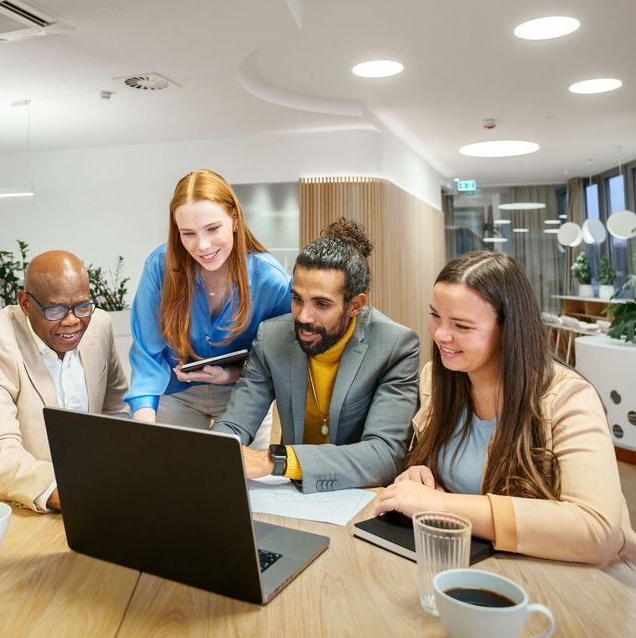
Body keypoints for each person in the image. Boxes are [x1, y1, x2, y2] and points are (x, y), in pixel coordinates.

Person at [375, 251, 636, 577]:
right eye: (435, 316)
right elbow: (437, 467)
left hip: (577, 582)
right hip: (483, 567)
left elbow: (596, 530)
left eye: (461, 325)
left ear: (509, 329)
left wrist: (441, 506)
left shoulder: (566, 398)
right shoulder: (436, 380)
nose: (440, 334)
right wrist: (417, 474)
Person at [212, 218, 420, 490]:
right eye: (297, 299)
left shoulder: (395, 346)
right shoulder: (271, 337)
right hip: (291, 496)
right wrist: (218, 451)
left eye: (322, 304)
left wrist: (279, 460)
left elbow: (384, 455)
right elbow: (235, 423)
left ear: (355, 305)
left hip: (360, 495)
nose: (303, 317)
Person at [0, 250, 128, 512]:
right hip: (6, 499)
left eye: (82, 306)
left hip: (90, 490)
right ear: (25, 303)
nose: (72, 321)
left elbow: (116, 410)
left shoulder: (99, 325)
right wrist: (77, 493)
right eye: (56, 309)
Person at [127, 170, 291, 430]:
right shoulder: (160, 267)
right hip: (176, 393)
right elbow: (147, 352)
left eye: (212, 229)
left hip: (243, 393)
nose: (202, 246)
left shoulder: (272, 280)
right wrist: (143, 421)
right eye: (188, 234)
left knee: (241, 470)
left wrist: (230, 374)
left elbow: (277, 360)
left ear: (235, 219)